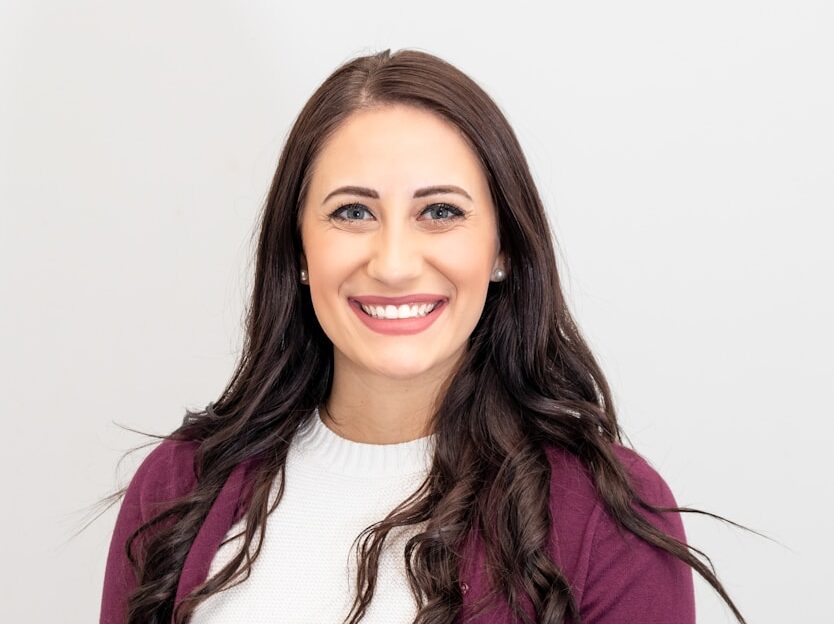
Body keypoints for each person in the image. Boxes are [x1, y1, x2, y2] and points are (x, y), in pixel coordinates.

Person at [99, 48, 748, 624]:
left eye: (441, 212)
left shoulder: (607, 515)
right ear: (298, 249)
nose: (394, 262)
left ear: (503, 250)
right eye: (352, 212)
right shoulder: (177, 487)